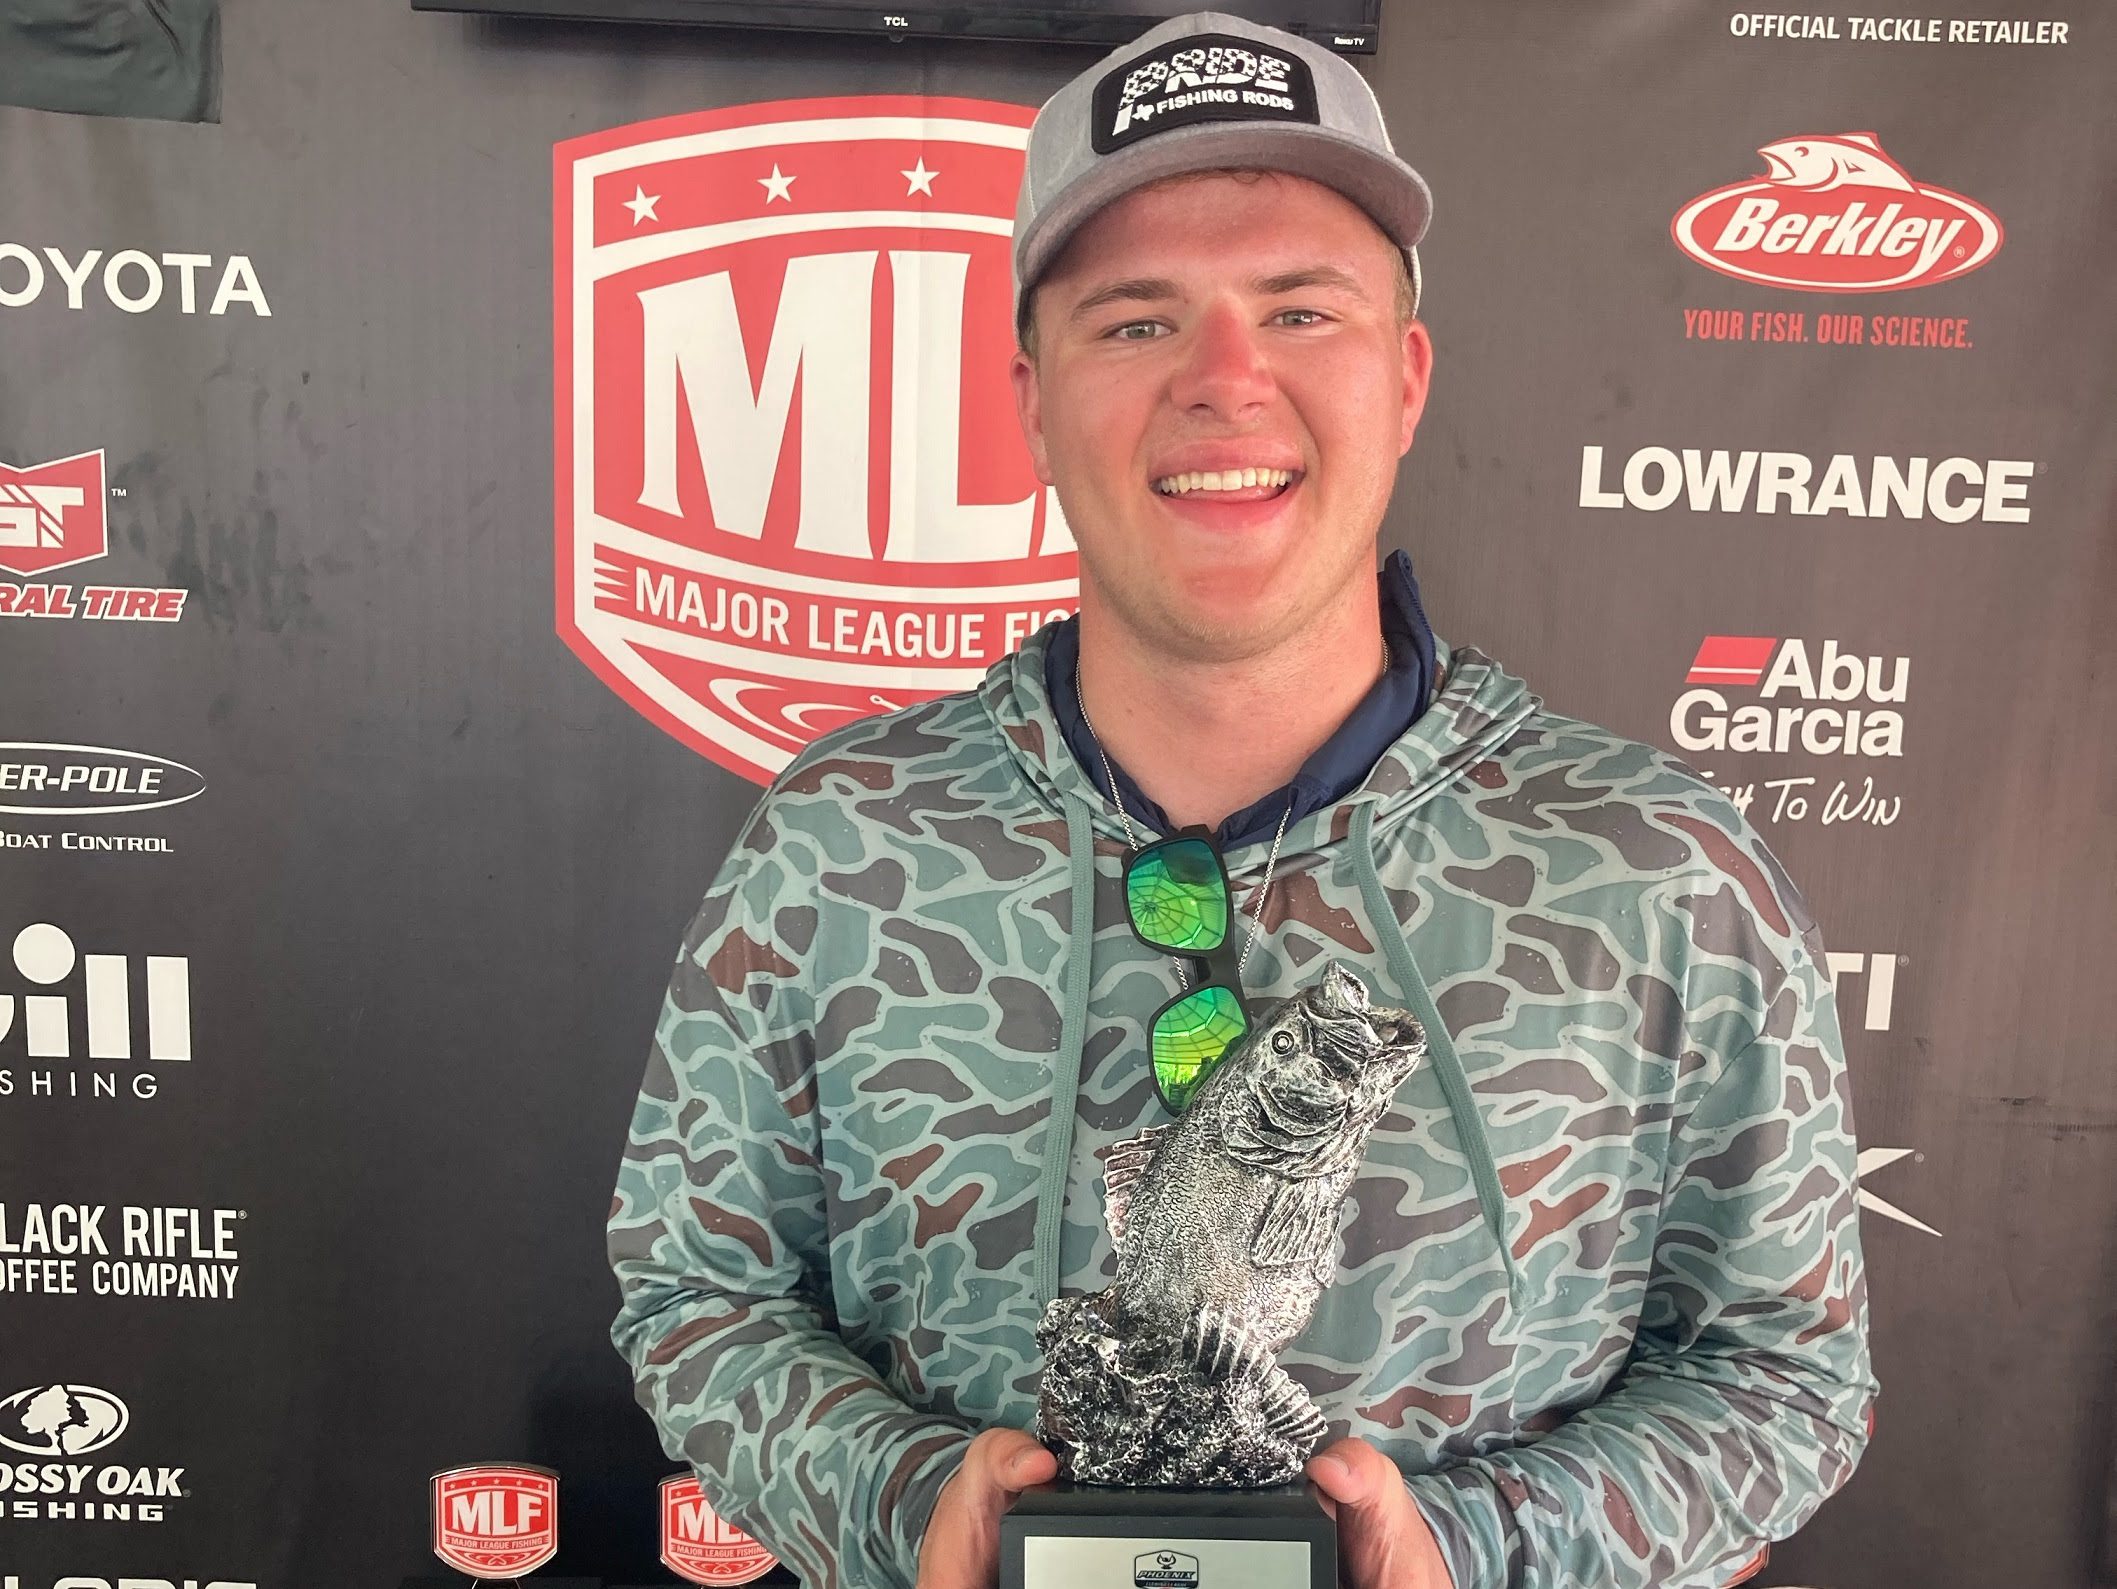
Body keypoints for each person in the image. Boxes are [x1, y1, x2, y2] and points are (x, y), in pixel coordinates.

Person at [607, 13, 1876, 1589]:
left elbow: (1780, 1371)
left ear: (1402, 379)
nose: (1223, 380)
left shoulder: (1656, 866)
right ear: (1031, 401)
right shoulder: (839, 840)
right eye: (1137, 320)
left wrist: (1474, 1550)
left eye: (1298, 309)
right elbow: (698, 1291)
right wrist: (903, 1501)